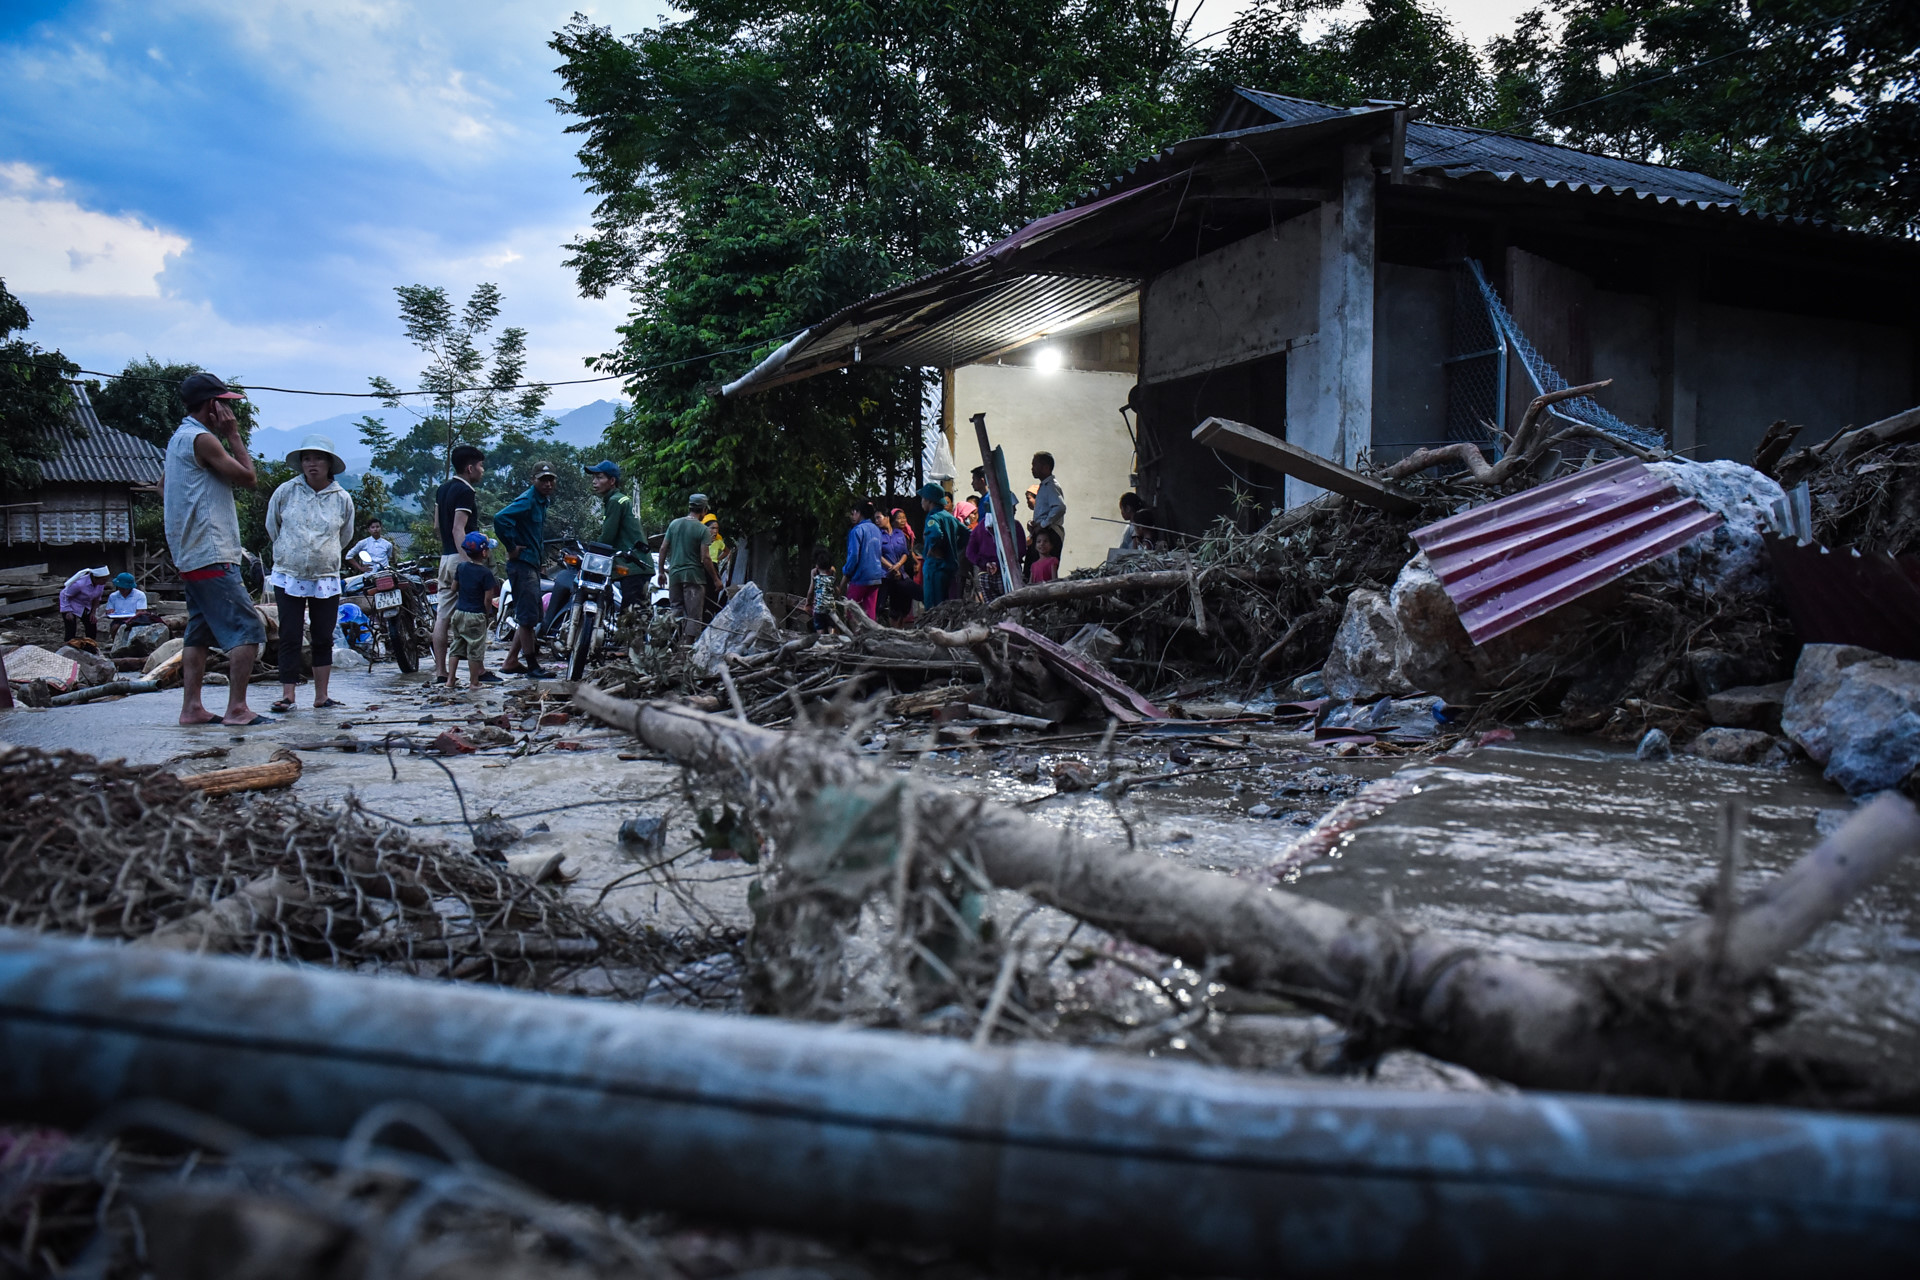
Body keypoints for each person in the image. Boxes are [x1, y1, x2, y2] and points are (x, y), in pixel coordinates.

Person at [163, 372, 268, 727]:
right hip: (212, 550)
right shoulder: (204, 440)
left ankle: (191, 707)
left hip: (188, 553)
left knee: (199, 630)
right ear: (212, 406)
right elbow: (249, 479)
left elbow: (164, 487)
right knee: (249, 628)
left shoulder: (177, 439)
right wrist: (234, 435)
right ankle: (237, 708)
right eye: (223, 404)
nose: (227, 410)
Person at [264, 435, 355, 713]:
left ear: (329, 464)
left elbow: (345, 535)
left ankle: (321, 695)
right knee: (290, 634)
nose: (312, 464)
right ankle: (288, 695)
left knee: (323, 636)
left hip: (325, 576)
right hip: (289, 573)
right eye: (307, 459)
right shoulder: (286, 492)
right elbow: (273, 527)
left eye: (318, 458)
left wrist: (322, 554)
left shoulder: (342, 499)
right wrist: (293, 550)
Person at [492, 460, 558, 678]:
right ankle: (532, 666)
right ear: (534, 480)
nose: (548, 484)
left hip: (531, 563)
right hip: (522, 564)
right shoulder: (528, 500)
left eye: (550, 480)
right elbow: (500, 518)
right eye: (543, 480)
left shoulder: (541, 501)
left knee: (529, 615)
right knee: (528, 617)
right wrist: (511, 546)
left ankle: (511, 661)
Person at [432, 445, 489, 681]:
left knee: (443, 616)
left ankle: (441, 671)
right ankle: (480, 672)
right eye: (480, 466)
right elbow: (459, 529)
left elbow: (438, 527)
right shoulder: (466, 491)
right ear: (469, 468)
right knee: (473, 614)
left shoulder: (442, 490)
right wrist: (468, 564)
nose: (482, 470)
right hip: (460, 558)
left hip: (445, 558)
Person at [585, 460, 652, 617]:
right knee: (634, 614)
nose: (594, 481)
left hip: (633, 566)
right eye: (593, 477)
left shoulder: (615, 502)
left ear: (612, 481)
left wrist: (591, 552)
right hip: (637, 564)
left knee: (629, 618)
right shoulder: (619, 499)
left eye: (599, 477)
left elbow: (607, 538)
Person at [658, 493, 718, 643]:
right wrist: (716, 579)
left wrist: (660, 572)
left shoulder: (674, 524)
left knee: (676, 610)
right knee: (694, 615)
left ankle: (662, 640)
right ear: (704, 510)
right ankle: (687, 648)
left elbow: (663, 549)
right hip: (694, 577)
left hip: (675, 575)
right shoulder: (703, 529)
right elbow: (705, 558)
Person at [445, 532, 499, 690]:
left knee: (456, 647)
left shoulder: (461, 567)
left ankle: (450, 680)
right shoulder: (486, 574)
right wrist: (487, 614)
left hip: (459, 613)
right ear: (484, 553)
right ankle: (474, 682)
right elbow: (488, 599)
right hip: (476, 615)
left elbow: (453, 587)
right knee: (475, 650)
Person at [966, 491, 1024, 600]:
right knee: (1010, 607)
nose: (1015, 510)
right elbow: (1020, 551)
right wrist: (997, 564)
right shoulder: (1014, 526)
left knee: (992, 610)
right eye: (1013, 507)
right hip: (1007, 575)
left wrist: (985, 563)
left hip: (985, 574)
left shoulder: (981, 526)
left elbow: (970, 553)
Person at [918, 483, 968, 610]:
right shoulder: (949, 517)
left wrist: (933, 548)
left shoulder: (933, 517)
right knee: (944, 605)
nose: (922, 502)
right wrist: (954, 548)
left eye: (923, 499)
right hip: (948, 567)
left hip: (935, 567)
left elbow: (935, 534)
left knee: (933, 607)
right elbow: (967, 534)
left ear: (929, 500)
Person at [842, 500, 885, 620]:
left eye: (853, 513)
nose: (852, 516)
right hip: (876, 576)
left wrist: (847, 572)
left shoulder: (857, 530)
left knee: (850, 610)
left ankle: (854, 637)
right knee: (870, 611)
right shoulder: (876, 529)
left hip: (860, 576)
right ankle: (870, 636)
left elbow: (854, 556)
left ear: (859, 513)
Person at [58, 566, 110, 643]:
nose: (105, 582)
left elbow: (97, 598)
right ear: (95, 578)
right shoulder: (80, 584)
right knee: (71, 628)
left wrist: (93, 612)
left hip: (86, 606)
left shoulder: (100, 584)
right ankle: (69, 646)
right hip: (72, 605)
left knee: (91, 626)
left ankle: (90, 645)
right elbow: (64, 594)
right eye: (103, 580)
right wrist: (67, 611)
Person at [878, 509, 912, 622]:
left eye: (879, 517)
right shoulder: (878, 534)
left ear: (887, 518)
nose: (877, 521)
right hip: (885, 575)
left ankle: (899, 629)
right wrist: (892, 568)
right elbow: (878, 554)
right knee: (881, 605)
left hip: (900, 574)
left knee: (901, 604)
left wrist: (898, 566)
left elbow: (905, 553)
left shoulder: (900, 534)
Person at [1030, 450, 1066, 559]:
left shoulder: (1051, 486)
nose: (1032, 469)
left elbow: (1060, 507)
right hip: (1042, 532)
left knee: (1045, 570)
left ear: (1046, 467)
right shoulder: (1043, 486)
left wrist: (1043, 524)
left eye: (1035, 465)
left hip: (1049, 534)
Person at [807, 546, 836, 633]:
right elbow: (836, 589)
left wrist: (808, 603)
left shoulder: (815, 575)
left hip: (818, 608)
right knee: (831, 625)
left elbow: (810, 591)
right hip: (830, 607)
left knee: (820, 628)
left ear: (817, 564)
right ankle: (832, 639)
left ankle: (821, 640)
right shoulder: (832, 572)